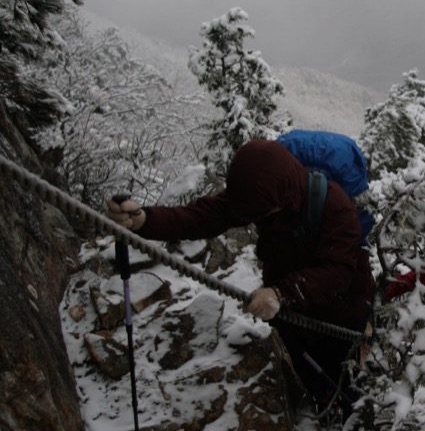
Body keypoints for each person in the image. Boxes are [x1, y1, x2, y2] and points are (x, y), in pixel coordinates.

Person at [106, 139, 375, 413]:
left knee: (338, 375)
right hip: (290, 309)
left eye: (260, 215)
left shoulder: (336, 207)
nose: (255, 219)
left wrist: (282, 293)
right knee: (307, 369)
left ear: (278, 202)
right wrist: (146, 220)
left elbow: (337, 272)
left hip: (341, 313)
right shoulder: (262, 194)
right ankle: (322, 406)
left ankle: (347, 419)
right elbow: (203, 216)